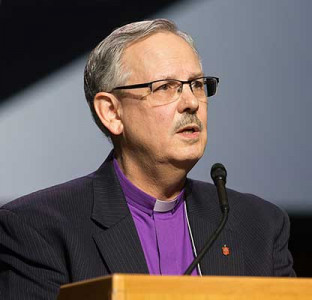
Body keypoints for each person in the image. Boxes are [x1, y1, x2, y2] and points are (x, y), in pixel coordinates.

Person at [0, 19, 295, 299]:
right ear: (112, 113)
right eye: (166, 87)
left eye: (197, 84)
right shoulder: (40, 229)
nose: (192, 102)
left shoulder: (259, 224)